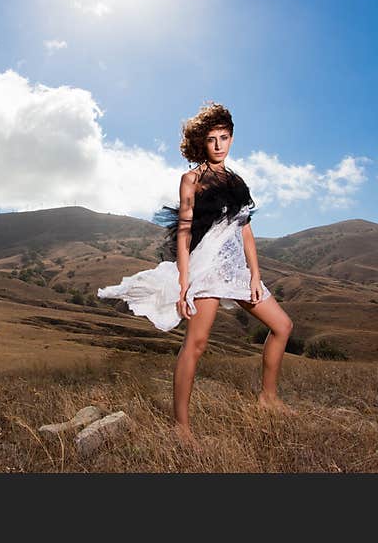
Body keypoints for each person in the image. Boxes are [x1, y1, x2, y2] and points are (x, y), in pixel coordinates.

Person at [97, 102, 296, 448]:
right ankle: (181, 427)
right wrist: (184, 282)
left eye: (224, 138)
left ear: (232, 138)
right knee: (197, 343)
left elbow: (246, 231)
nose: (219, 145)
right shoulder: (191, 180)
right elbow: (185, 232)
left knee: (283, 326)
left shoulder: (237, 182)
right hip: (205, 268)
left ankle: (268, 398)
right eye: (211, 139)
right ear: (200, 143)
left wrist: (254, 275)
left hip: (235, 269)